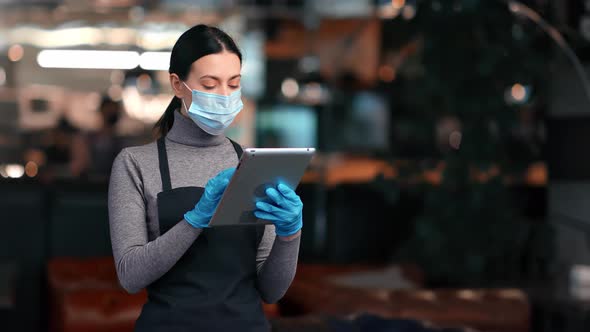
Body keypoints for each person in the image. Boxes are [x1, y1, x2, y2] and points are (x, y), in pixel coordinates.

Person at [108, 25, 302, 331]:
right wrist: (195, 219)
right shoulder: (135, 164)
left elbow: (271, 291)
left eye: (233, 84)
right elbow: (131, 276)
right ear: (177, 84)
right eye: (210, 85)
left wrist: (290, 233)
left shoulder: (251, 164)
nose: (225, 96)